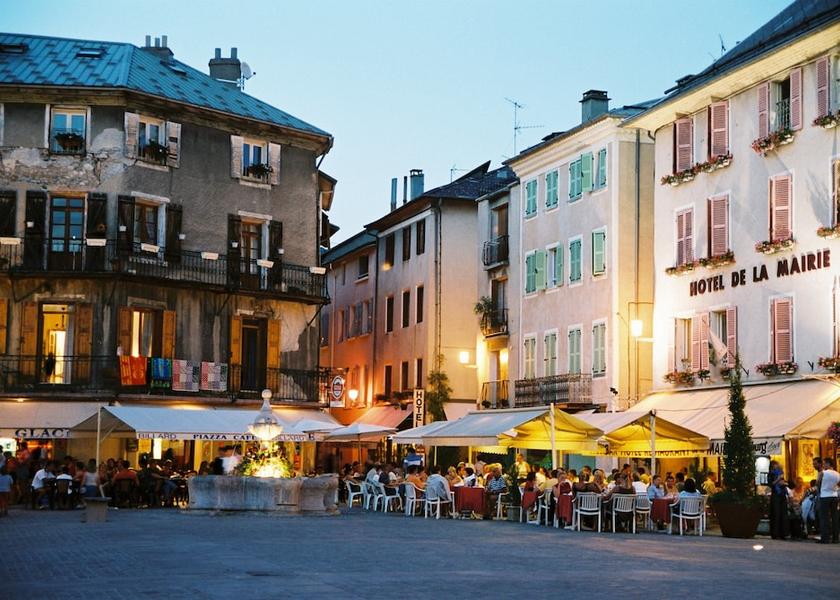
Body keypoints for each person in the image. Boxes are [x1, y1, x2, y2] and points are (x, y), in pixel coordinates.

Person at [817, 457, 839, 544]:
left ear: (828, 464)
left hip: (825, 496)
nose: (823, 465)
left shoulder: (823, 473)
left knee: (824, 518)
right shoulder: (837, 474)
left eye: (824, 463)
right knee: (834, 517)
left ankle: (825, 538)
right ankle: (835, 538)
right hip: (834, 496)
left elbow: (817, 483)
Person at [768, 460, 789, 540]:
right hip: (776, 495)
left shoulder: (781, 473)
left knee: (783, 514)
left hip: (782, 494)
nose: (778, 466)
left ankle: (783, 533)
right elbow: (771, 484)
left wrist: (784, 483)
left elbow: (783, 482)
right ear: (773, 466)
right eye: (776, 465)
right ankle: (775, 533)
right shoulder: (771, 473)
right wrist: (778, 480)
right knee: (776, 514)